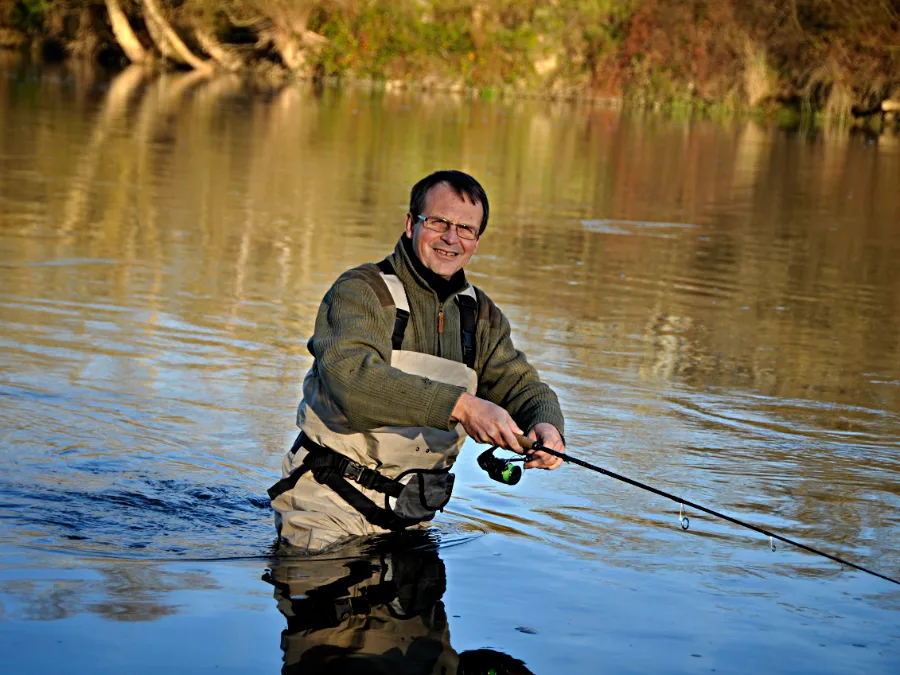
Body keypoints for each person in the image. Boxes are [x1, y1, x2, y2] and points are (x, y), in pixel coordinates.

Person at [269, 170, 565, 553]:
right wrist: (463, 406)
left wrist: (546, 424)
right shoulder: (360, 291)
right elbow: (352, 381)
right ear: (411, 224)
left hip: (413, 517)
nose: (451, 238)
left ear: (477, 240)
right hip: (325, 508)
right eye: (439, 222)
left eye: (466, 229)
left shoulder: (482, 316)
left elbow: (522, 386)